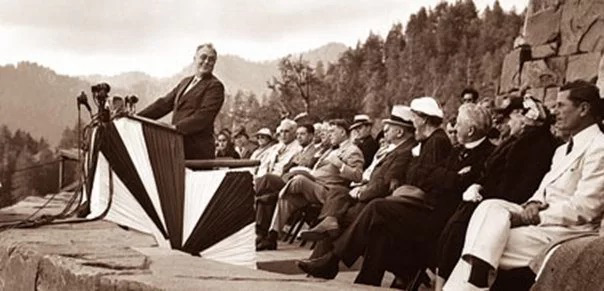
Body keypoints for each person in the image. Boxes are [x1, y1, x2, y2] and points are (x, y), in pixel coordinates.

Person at [298, 98, 493, 287]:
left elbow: (429, 179)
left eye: (414, 117)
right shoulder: (443, 144)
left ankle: (333, 260)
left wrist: (442, 176)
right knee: (378, 225)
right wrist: (447, 176)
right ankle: (366, 280)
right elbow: (429, 176)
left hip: (433, 214)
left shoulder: (440, 142)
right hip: (425, 206)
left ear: (471, 130)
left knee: (376, 208)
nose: (455, 128)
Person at [444, 80, 604, 290]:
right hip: (541, 222)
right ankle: (478, 279)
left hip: (569, 229)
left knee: (483, 244)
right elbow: (543, 190)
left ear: (583, 109)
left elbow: (587, 208)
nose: (555, 112)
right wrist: (534, 203)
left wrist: (538, 216)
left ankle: (475, 281)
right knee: (489, 207)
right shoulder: (562, 150)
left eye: (561, 105)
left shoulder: (599, 147)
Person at [434, 96, 558, 289]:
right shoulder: (518, 141)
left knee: (459, 228)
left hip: (504, 206)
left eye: (511, 118)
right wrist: (479, 187)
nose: (507, 123)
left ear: (524, 117)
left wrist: (483, 192)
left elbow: (520, 188)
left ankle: (454, 284)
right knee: (456, 225)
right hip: (489, 200)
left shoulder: (536, 146)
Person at [298, 105, 417, 244]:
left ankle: (327, 257)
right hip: (359, 188)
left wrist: (361, 191)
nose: (385, 131)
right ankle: (324, 246)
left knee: (336, 215)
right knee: (335, 203)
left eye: (389, 128)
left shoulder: (401, 151)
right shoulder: (391, 149)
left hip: (370, 196)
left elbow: (383, 182)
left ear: (399, 132)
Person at [256, 119, 364, 251]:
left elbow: (358, 176)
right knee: (288, 198)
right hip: (313, 185)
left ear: (342, 132)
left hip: (328, 190)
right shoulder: (329, 149)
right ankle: (272, 236)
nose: (329, 135)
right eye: (328, 132)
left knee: (298, 180)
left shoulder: (353, 150)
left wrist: (340, 164)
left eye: (332, 132)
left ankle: (271, 196)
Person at [138, 43, 224, 159]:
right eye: (203, 57)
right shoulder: (185, 82)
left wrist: (174, 129)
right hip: (178, 147)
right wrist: (137, 117)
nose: (207, 62)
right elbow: (164, 104)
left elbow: (203, 117)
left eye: (211, 59)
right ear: (194, 59)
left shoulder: (215, 86)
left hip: (197, 152)